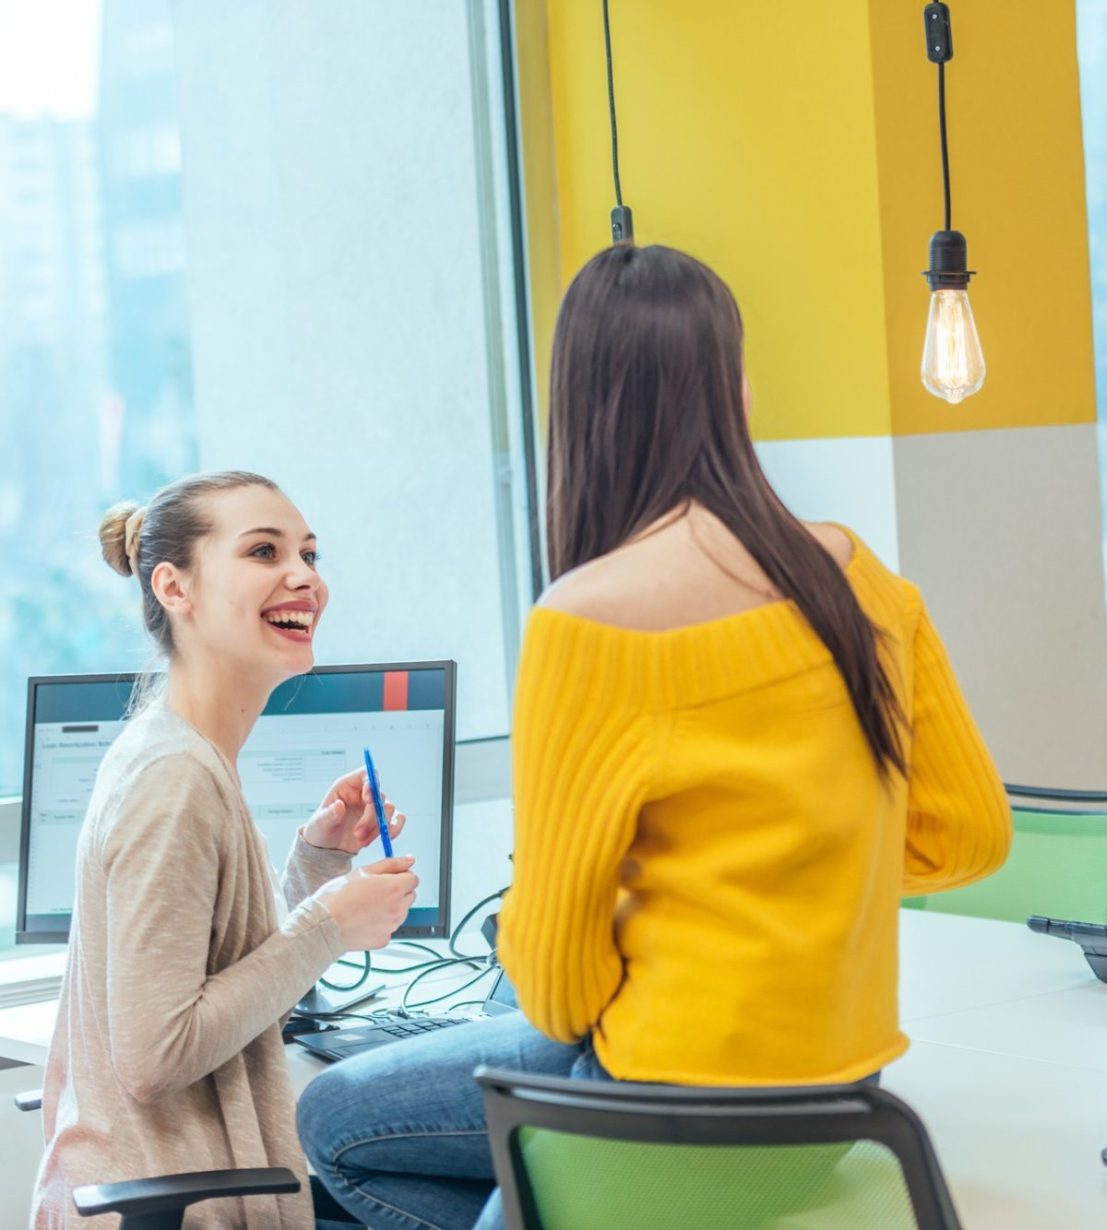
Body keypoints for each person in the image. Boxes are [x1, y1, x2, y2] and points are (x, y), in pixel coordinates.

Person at [297, 244, 1012, 1230]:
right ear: (737, 392)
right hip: (844, 1100)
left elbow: (554, 992)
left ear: (578, 413)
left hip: (667, 1109)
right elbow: (968, 835)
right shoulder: (857, 575)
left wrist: (668, 922)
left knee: (328, 1116)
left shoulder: (588, 623)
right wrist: (783, 885)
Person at [31, 471, 420, 1230]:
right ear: (175, 589)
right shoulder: (175, 777)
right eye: (264, 552)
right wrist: (330, 926)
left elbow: (212, 967)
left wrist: (315, 863)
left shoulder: (183, 751)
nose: (303, 575)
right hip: (188, 1206)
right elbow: (157, 1051)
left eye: (309, 553)